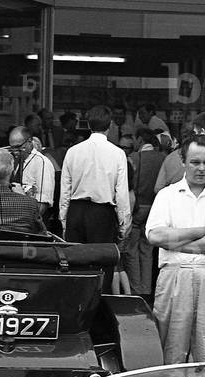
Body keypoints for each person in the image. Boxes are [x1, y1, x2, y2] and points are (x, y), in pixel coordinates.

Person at [145, 135, 205, 363]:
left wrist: (176, 242)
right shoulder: (166, 195)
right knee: (170, 352)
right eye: (195, 162)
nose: (201, 168)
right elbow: (155, 235)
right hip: (174, 276)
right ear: (183, 160)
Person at [60, 105, 131, 290]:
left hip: (76, 210)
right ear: (110, 125)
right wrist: (124, 224)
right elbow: (121, 193)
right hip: (102, 213)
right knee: (102, 269)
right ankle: (97, 308)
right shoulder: (117, 153)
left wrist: (64, 219)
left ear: (88, 124)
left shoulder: (73, 151)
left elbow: (65, 190)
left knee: (75, 267)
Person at [122, 129, 166, 302]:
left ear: (140, 140)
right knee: (147, 249)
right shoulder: (163, 158)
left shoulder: (134, 158)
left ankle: (135, 288)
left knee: (132, 250)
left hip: (138, 207)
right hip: (155, 208)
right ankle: (147, 288)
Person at [7, 126, 56, 217]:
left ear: (29, 142)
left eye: (18, 147)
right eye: (12, 148)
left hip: (33, 221)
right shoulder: (15, 160)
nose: (15, 151)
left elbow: (42, 205)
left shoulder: (41, 163)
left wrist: (22, 196)